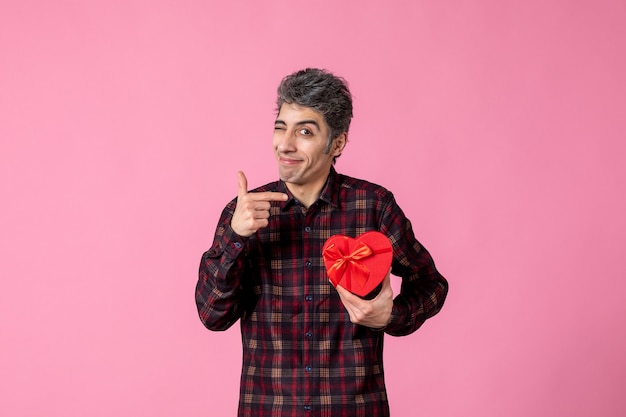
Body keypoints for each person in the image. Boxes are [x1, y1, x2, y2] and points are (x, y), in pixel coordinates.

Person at [196, 68, 448, 417]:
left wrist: (391, 315)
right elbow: (212, 315)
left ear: (338, 143)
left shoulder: (373, 206)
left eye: (304, 132)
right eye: (280, 127)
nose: (285, 144)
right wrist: (237, 238)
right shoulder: (244, 213)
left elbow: (431, 284)